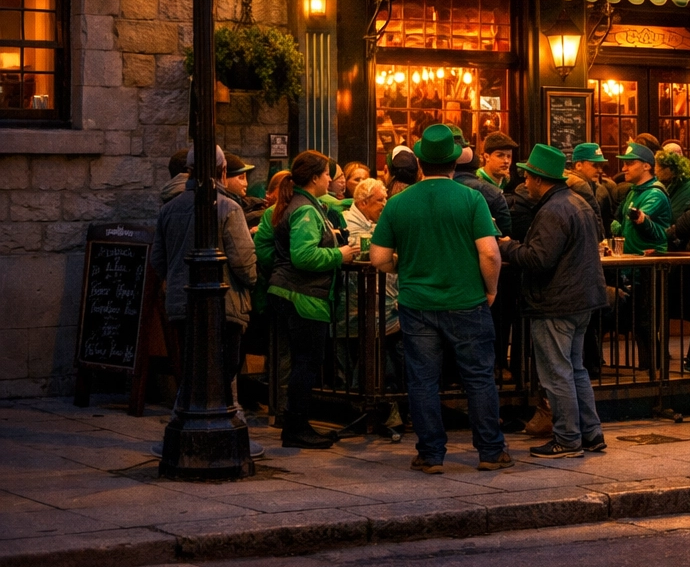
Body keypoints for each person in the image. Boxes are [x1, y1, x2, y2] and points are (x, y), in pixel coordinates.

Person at [368, 124, 508, 473]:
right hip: (468, 301)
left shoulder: (398, 203)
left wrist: (406, 263)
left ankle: (431, 454)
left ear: (420, 164)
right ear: (453, 164)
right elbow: (490, 254)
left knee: (423, 380)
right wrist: (490, 289)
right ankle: (490, 451)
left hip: (417, 305)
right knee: (478, 377)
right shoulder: (472, 199)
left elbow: (379, 259)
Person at [500, 144, 607, 458]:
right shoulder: (577, 202)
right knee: (576, 369)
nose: (526, 183)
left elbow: (538, 259)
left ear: (537, 179)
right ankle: (591, 433)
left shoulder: (552, 210)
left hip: (556, 303)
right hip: (581, 300)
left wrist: (507, 247)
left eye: (528, 177)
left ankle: (568, 439)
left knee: (557, 372)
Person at [150, 145, 259, 424]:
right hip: (224, 304)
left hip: (180, 303)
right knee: (223, 368)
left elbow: (159, 259)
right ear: (223, 172)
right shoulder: (228, 208)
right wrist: (251, 281)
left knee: (191, 368)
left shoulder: (169, 208)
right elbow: (243, 262)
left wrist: (177, 279)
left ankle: (184, 423)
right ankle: (221, 427)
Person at [266, 150, 360, 448]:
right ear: (316, 177)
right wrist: (339, 254)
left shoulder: (301, 204)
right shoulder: (305, 209)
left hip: (290, 292)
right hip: (303, 296)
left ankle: (297, 425)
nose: (331, 178)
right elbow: (303, 255)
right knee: (306, 363)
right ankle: (296, 428)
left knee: (301, 362)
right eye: (327, 173)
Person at [611, 142, 671, 253]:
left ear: (646, 166)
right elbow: (627, 227)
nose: (624, 168)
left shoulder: (655, 194)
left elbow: (641, 222)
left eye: (630, 163)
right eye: (624, 164)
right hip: (632, 263)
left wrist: (641, 220)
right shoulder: (633, 191)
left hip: (646, 265)